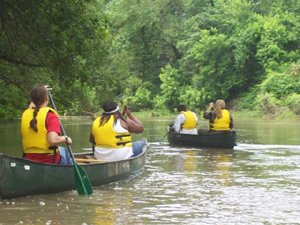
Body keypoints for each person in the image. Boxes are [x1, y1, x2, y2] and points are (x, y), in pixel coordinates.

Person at [21, 84, 73, 164]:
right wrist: (66, 139)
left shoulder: (26, 113)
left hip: (28, 159)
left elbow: (33, 103)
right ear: (47, 98)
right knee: (65, 152)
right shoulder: (50, 115)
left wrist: (40, 91)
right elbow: (52, 140)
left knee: (62, 150)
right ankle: (70, 173)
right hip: (49, 161)